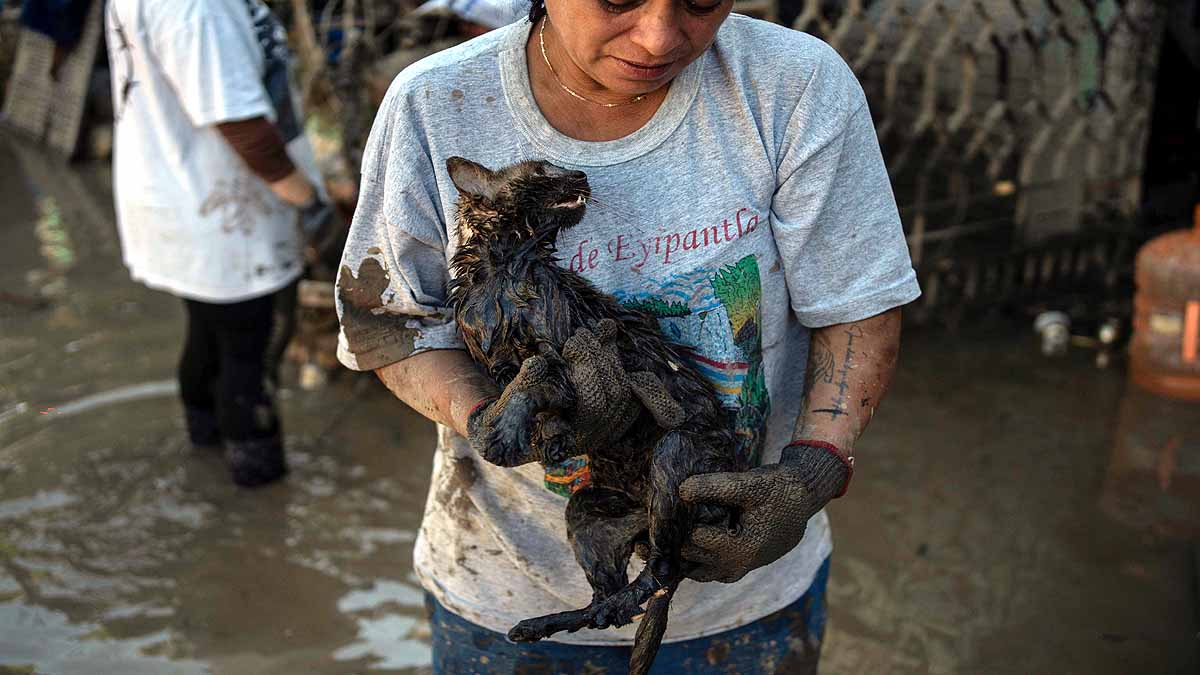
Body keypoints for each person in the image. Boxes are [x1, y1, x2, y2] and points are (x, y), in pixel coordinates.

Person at [335, 0, 919, 671]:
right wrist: (488, 416)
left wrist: (814, 468)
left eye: (702, 1)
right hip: (503, 589)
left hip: (747, 600)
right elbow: (390, 325)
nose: (659, 37)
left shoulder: (795, 86)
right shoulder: (436, 104)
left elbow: (859, 305)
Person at [104, 0, 335, 487]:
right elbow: (243, 125)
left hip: (178, 198)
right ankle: (262, 503)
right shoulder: (202, 7)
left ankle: (205, 456)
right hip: (230, 219)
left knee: (211, 336)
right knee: (251, 357)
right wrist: (312, 206)